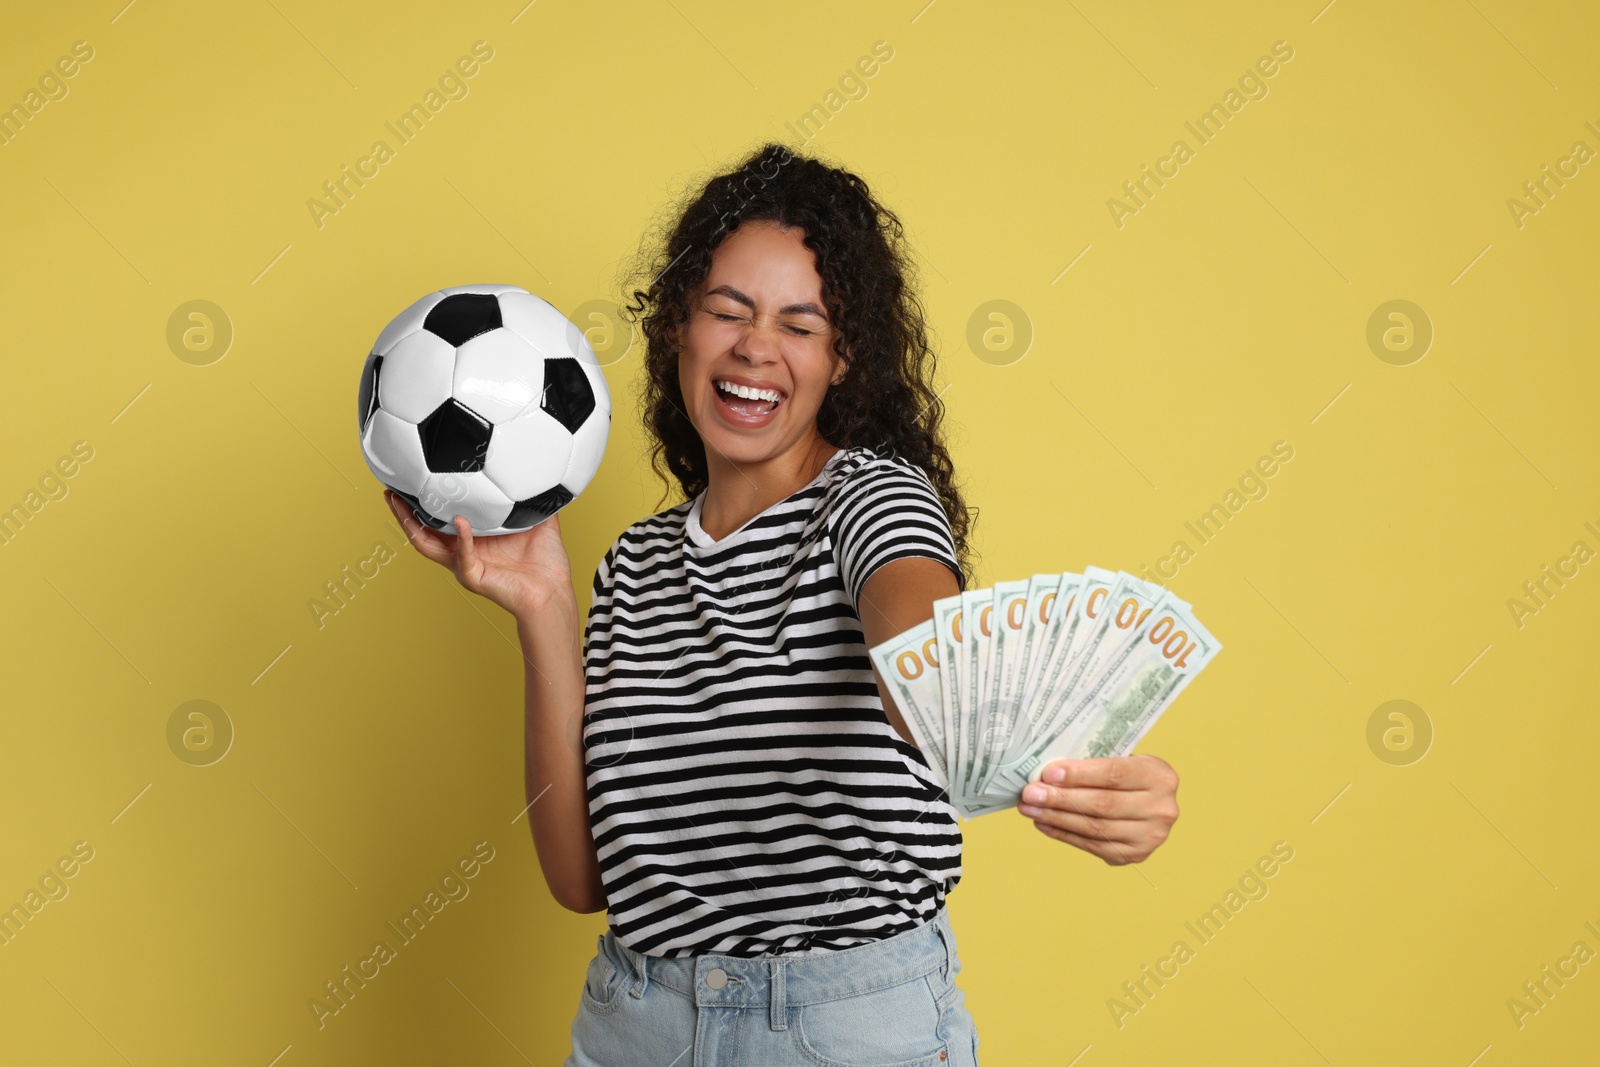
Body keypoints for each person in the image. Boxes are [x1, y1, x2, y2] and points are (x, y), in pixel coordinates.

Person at [385, 142, 1181, 1066]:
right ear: (679, 327)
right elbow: (583, 878)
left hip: (841, 1030)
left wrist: (1070, 764)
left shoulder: (871, 503)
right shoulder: (633, 566)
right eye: (728, 309)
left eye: (801, 325)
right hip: (634, 1020)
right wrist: (544, 605)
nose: (756, 346)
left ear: (844, 361)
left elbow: (928, 660)